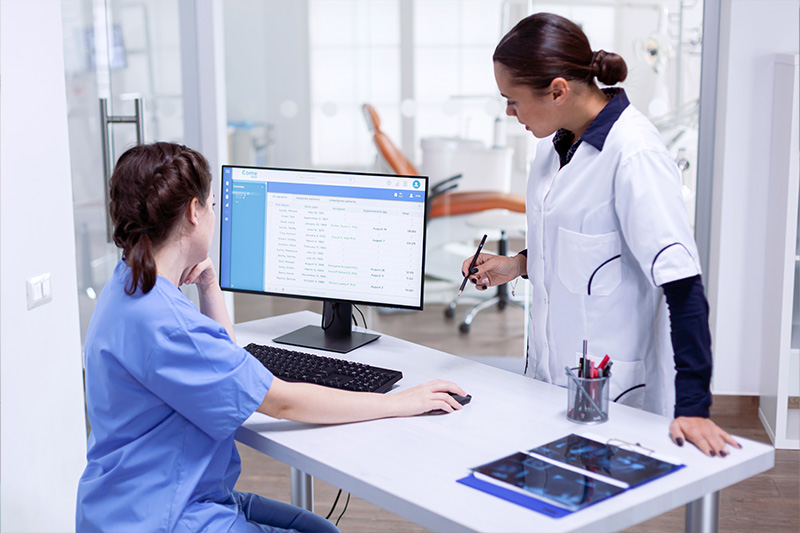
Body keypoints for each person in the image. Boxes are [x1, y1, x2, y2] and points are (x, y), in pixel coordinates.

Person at [76, 142, 466, 532]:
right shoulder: (172, 326)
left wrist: (209, 285)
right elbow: (282, 403)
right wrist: (399, 402)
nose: (213, 214)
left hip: (124, 502)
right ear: (194, 212)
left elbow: (222, 359)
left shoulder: (127, 286)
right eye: (212, 206)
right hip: (167, 515)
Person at [462, 13, 739, 457]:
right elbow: (584, 245)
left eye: (512, 101)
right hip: (546, 380)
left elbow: (683, 286)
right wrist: (516, 265)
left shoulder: (634, 155)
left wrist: (694, 407)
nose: (509, 113)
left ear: (558, 90)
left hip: (613, 392)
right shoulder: (552, 146)